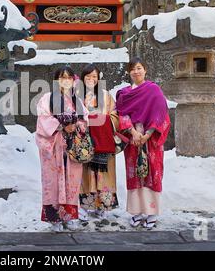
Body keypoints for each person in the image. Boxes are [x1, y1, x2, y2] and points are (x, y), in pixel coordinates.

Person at [115, 58, 171, 229]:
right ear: (129, 72)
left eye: (139, 68)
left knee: (152, 172)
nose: (136, 72)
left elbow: (161, 114)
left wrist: (147, 134)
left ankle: (152, 212)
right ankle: (137, 212)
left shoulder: (154, 90)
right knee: (135, 174)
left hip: (150, 139)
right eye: (132, 69)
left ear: (145, 70)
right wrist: (132, 132)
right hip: (132, 138)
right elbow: (121, 114)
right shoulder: (124, 94)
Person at [35, 66, 89, 232]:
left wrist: (77, 125)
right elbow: (43, 119)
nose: (65, 80)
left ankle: (70, 215)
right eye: (62, 77)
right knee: (53, 182)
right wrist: (62, 126)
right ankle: (54, 218)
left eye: (68, 77)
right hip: (54, 145)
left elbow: (84, 119)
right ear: (56, 80)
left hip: (72, 146)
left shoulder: (76, 100)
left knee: (72, 181)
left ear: (73, 80)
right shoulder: (47, 98)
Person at [78, 64, 119, 221]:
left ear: (98, 78)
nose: (91, 79)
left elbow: (115, 115)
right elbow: (75, 115)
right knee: (86, 173)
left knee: (104, 174)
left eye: (94, 77)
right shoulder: (78, 95)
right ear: (83, 78)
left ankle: (103, 206)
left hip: (103, 141)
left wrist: (102, 120)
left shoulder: (106, 95)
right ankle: (87, 206)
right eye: (88, 77)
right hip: (86, 140)